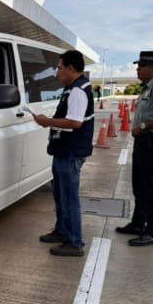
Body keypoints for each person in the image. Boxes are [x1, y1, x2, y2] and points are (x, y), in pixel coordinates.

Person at [32, 49, 94, 257]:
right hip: (63, 151)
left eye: (59, 68)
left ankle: (74, 242)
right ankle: (62, 231)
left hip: (70, 152)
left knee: (69, 198)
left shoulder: (77, 90)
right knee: (60, 195)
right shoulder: (72, 88)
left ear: (71, 68)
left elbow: (75, 122)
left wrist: (46, 121)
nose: (57, 72)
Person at [115, 50, 153, 246]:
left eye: (141, 66)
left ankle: (151, 232)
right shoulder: (147, 88)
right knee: (139, 185)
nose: (137, 70)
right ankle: (138, 224)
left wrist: (142, 127)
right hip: (143, 142)